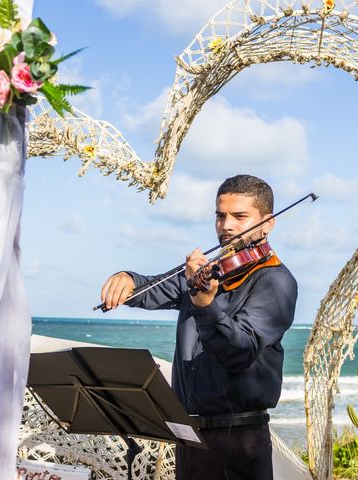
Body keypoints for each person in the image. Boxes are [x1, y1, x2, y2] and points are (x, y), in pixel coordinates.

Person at [100, 174, 298, 480]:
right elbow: (154, 288)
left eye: (239, 216)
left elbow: (238, 352)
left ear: (267, 222)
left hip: (239, 441)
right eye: (220, 216)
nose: (226, 226)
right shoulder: (208, 272)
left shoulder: (276, 281)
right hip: (190, 438)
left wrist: (206, 304)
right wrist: (128, 279)